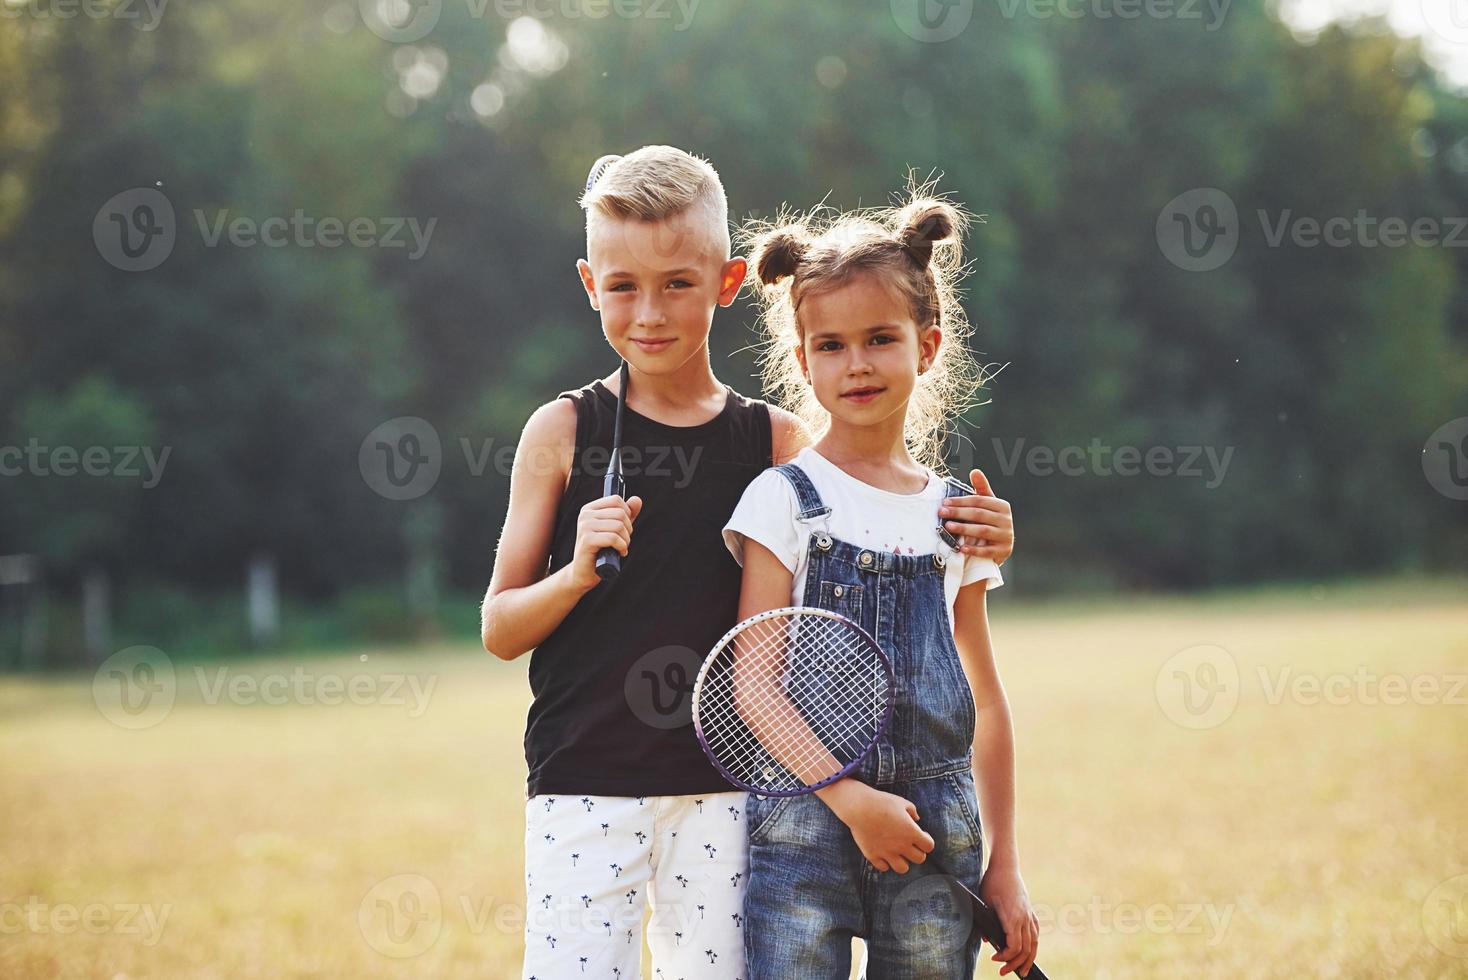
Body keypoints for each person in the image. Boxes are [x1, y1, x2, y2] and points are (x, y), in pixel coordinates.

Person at [481, 146, 1018, 979]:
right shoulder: (562, 432)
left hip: (734, 797)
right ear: (590, 285)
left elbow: (880, 511)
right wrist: (577, 571)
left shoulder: (774, 444)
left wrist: (982, 532)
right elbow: (498, 628)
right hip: (581, 784)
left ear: (728, 283)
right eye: (622, 286)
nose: (649, 312)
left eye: (678, 284)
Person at [723, 184, 1039, 979]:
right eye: (830, 345)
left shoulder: (958, 515)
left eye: (879, 338)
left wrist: (1003, 861)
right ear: (802, 361)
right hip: (805, 824)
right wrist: (849, 799)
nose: (855, 363)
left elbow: (985, 701)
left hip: (937, 830)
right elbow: (755, 688)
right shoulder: (782, 500)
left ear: (926, 346)